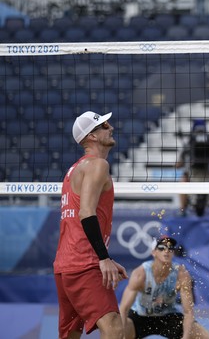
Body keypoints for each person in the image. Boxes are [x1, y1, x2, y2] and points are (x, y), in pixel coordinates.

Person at [53, 111, 128, 338]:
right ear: (92, 136)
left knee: (70, 335)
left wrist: (106, 258)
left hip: (64, 266)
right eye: (104, 125)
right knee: (114, 328)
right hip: (84, 263)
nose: (111, 127)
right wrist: (103, 257)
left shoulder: (72, 171)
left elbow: (77, 218)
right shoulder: (98, 165)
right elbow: (86, 213)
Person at [119, 235, 209, 339]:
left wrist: (186, 337)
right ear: (154, 252)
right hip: (140, 316)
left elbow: (188, 312)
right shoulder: (141, 274)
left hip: (168, 316)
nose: (166, 251)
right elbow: (124, 309)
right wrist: (122, 335)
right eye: (161, 248)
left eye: (170, 248)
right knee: (115, 333)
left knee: (205, 337)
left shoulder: (181, 274)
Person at [176, 119, 209, 217]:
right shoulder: (188, 146)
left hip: (206, 176)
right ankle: (182, 210)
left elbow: (178, 165)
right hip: (198, 176)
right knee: (183, 180)